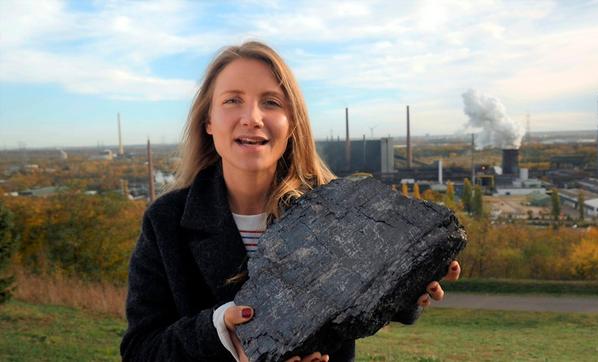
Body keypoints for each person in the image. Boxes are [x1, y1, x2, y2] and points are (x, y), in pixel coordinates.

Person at [120, 41, 460, 362]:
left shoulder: (337, 213)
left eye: (271, 102)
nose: (252, 117)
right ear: (208, 121)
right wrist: (220, 331)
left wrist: (408, 287)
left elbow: (360, 304)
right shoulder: (166, 223)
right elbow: (140, 350)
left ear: (292, 123)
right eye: (232, 100)